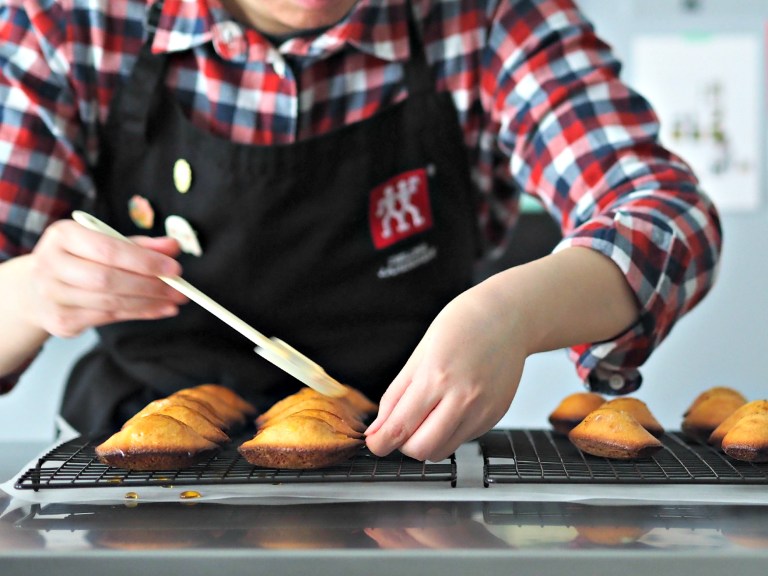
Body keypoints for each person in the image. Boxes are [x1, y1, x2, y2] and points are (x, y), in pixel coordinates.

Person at [0, 0, 721, 462]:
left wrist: (511, 315)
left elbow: (668, 216)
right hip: (132, 471)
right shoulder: (70, 23)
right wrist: (32, 292)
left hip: (401, 455)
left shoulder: (490, 19)